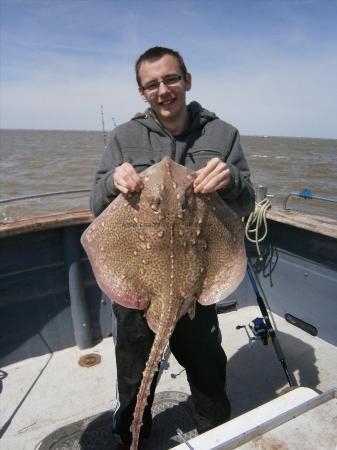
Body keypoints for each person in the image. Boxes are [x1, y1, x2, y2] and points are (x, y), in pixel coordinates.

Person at [90, 46, 255, 449]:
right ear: (142, 92)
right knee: (133, 376)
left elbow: (246, 203)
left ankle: (217, 434)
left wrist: (231, 179)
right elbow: (96, 205)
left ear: (187, 80)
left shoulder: (222, 134)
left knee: (208, 373)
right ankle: (131, 436)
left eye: (170, 79)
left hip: (195, 282)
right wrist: (114, 181)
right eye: (152, 84)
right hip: (140, 284)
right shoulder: (123, 137)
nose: (163, 90)